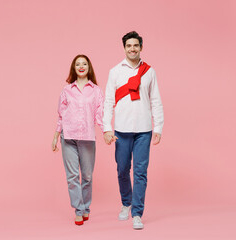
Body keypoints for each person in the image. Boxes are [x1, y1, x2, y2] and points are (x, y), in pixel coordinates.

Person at [102, 31, 164, 230]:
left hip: (144, 130)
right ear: (124, 48)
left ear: (141, 47)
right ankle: (126, 203)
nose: (132, 49)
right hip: (121, 130)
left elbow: (156, 101)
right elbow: (108, 102)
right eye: (129, 45)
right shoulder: (115, 71)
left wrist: (158, 127)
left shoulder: (149, 72)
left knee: (140, 173)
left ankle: (137, 213)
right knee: (122, 170)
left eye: (135, 45)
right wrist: (107, 128)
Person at [52, 54, 104, 226]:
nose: (81, 67)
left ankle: (86, 207)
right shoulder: (67, 90)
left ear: (89, 67)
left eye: (84, 64)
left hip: (87, 138)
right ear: (74, 69)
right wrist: (55, 135)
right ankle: (79, 210)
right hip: (68, 137)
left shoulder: (96, 90)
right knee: (73, 176)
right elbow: (61, 115)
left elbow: (99, 114)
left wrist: (107, 131)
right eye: (77, 64)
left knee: (87, 176)